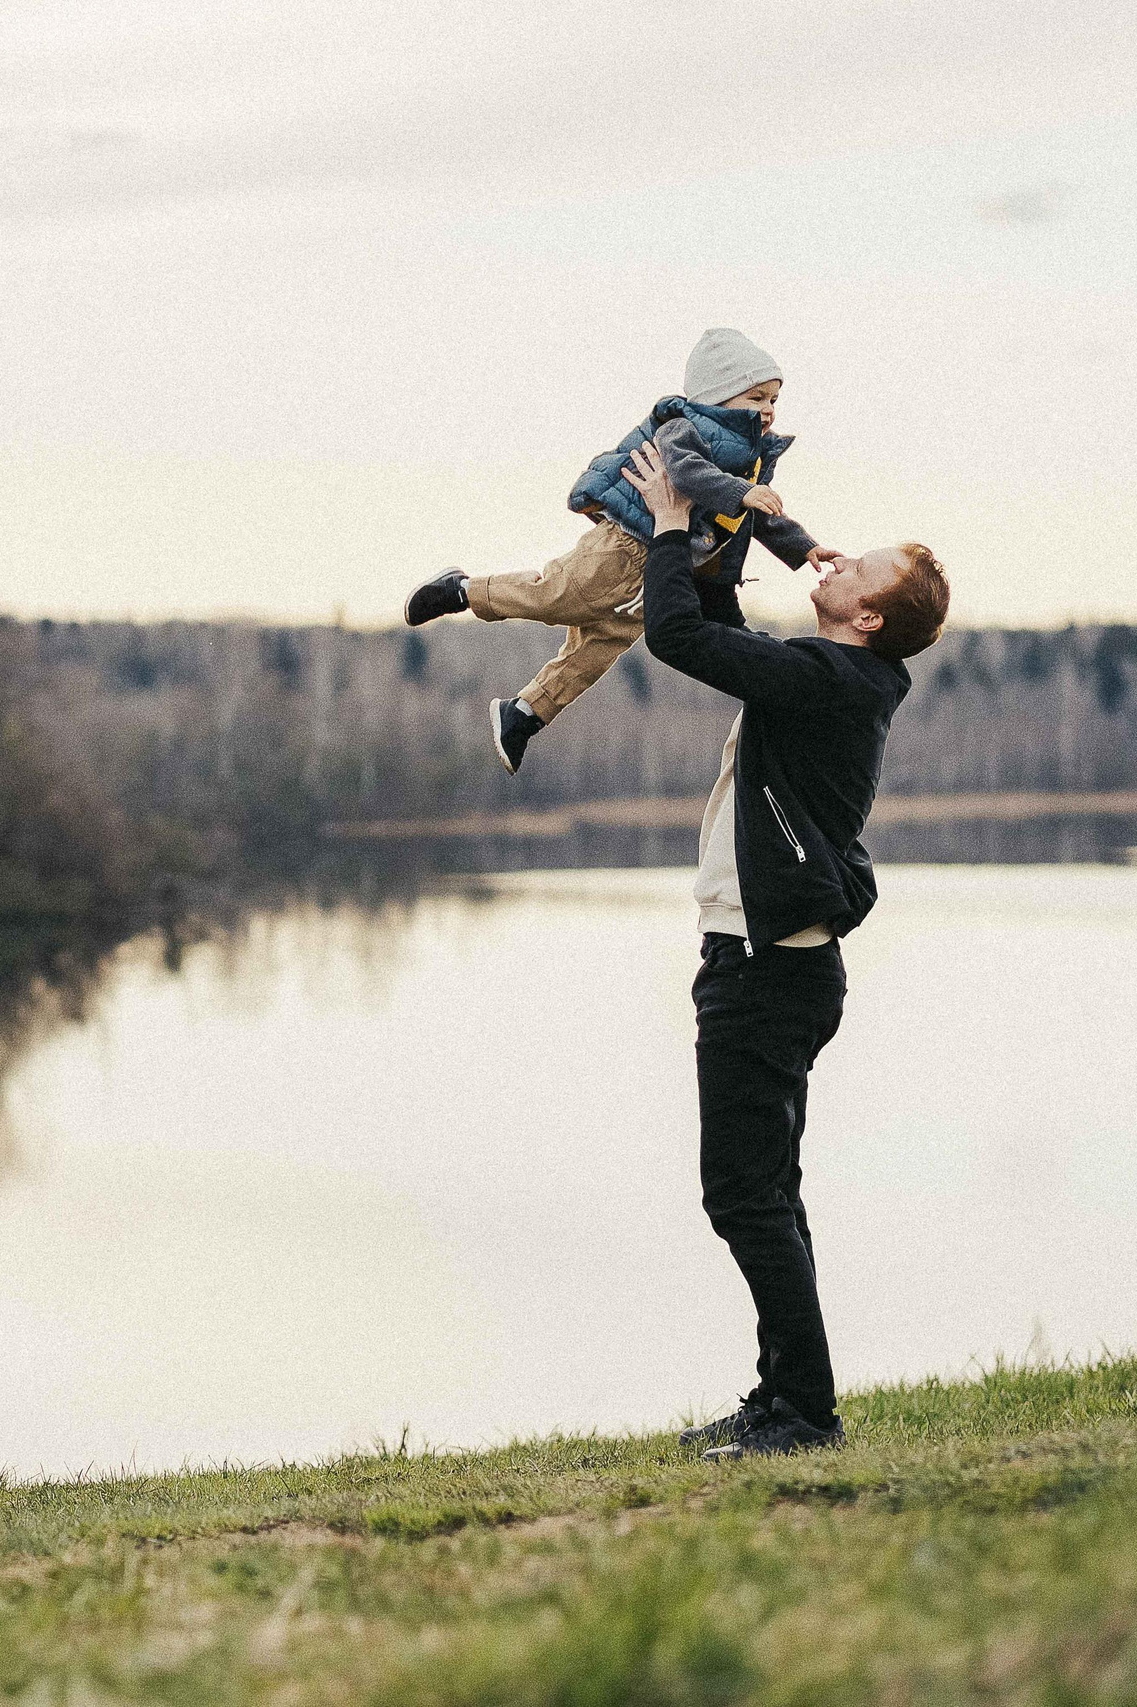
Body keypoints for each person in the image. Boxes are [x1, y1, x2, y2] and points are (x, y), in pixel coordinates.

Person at [616, 438, 950, 1459]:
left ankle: (803, 1414)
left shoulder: (831, 680)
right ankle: (783, 1399)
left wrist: (671, 526)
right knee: (768, 1194)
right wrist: (732, 533)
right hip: (771, 966)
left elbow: (677, 637)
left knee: (743, 1196)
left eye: (858, 567)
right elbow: (722, 634)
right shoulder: (829, 676)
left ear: (869, 617)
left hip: (767, 974)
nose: (836, 560)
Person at [401, 328, 838, 773]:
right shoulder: (686, 426)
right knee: (558, 597)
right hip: (626, 542)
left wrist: (804, 547)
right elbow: (686, 472)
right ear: (716, 397)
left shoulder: (753, 457)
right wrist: (741, 491)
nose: (767, 409)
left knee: (603, 644)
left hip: (663, 562)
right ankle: (462, 590)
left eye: (773, 400)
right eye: (756, 398)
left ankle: (525, 713)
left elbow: (757, 516)